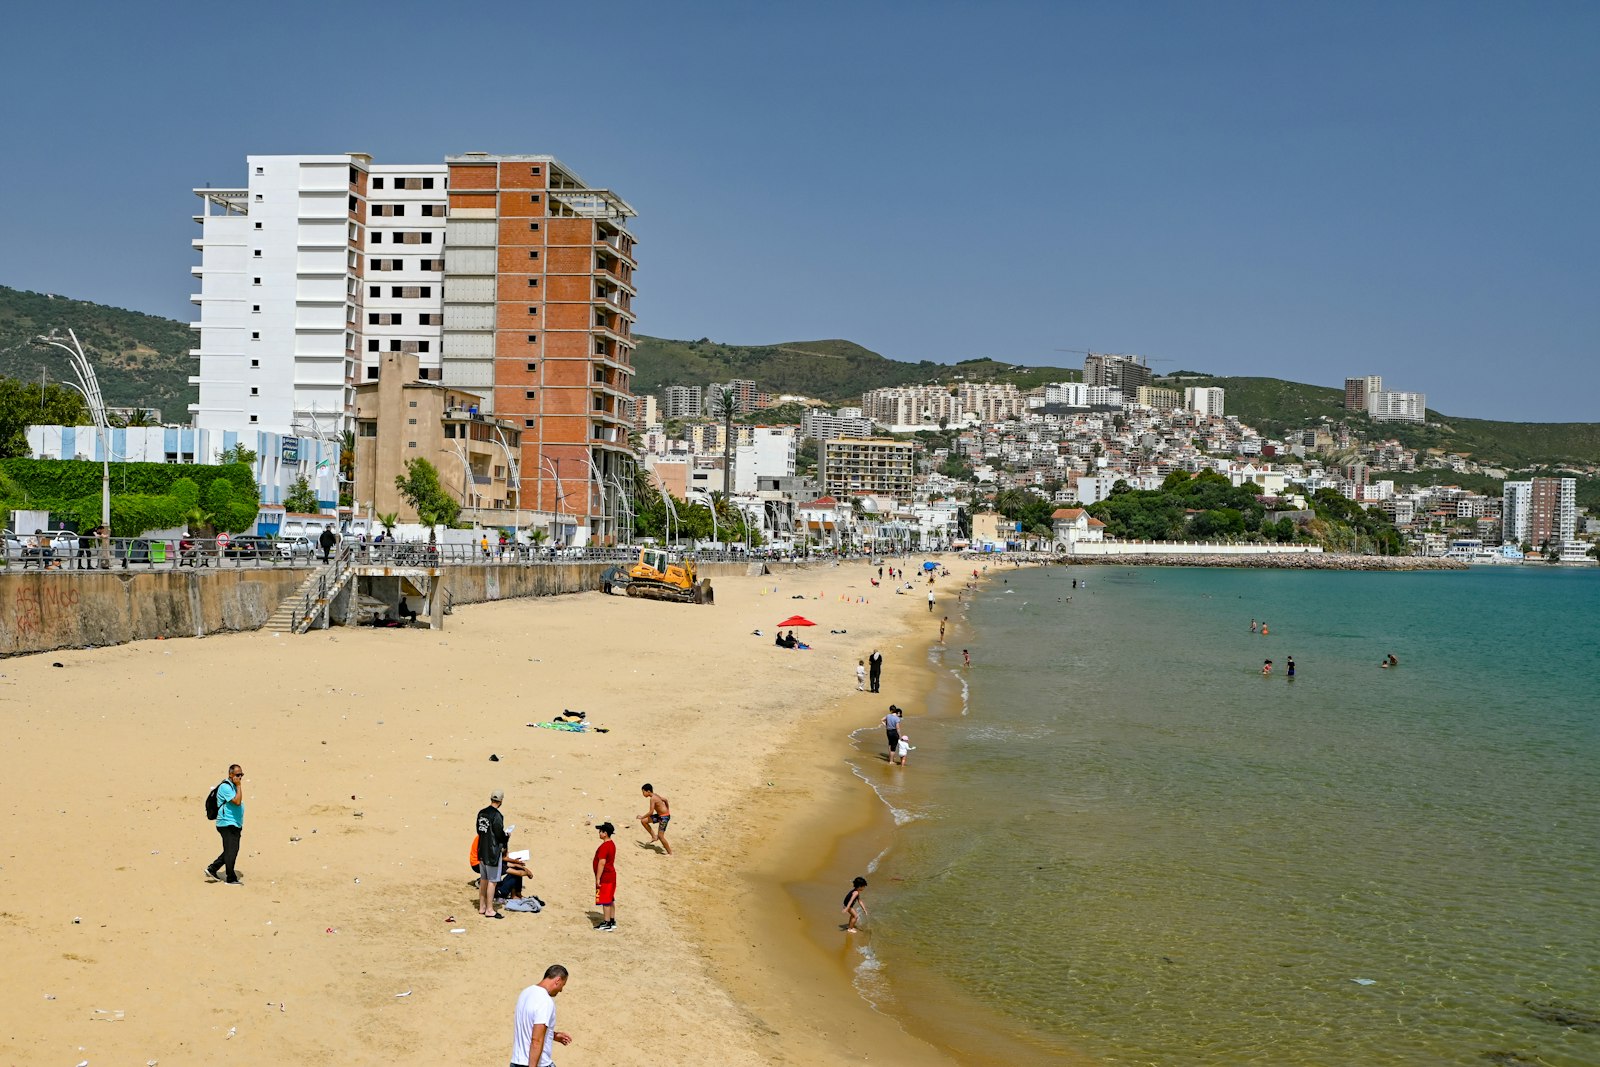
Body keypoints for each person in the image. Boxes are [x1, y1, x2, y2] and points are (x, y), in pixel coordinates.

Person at [509, 964, 572, 1067]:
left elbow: (529, 1027)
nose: (561, 990)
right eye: (562, 985)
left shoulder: (525, 993)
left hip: (516, 1062)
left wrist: (553, 1035)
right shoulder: (545, 1001)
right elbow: (536, 1040)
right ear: (557, 980)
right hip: (537, 1064)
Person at [205, 763, 245, 885]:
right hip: (226, 823)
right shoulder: (225, 787)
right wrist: (238, 786)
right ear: (230, 774)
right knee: (231, 850)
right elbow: (237, 802)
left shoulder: (233, 786)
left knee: (231, 849)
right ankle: (230, 877)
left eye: (241, 775)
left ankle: (212, 869)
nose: (240, 777)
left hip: (234, 823)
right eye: (238, 775)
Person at [477, 789, 510, 919]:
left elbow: (479, 830)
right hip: (492, 853)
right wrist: (506, 837)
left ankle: (482, 906)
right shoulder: (497, 815)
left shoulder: (482, 813)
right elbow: (499, 834)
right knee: (492, 881)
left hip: (482, 851)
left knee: (484, 879)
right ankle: (489, 909)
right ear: (501, 801)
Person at [592, 822, 617, 931]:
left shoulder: (604, 847)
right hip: (611, 875)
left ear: (605, 833)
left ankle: (606, 922)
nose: (599, 833)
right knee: (610, 899)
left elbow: (601, 863)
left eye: (600, 831)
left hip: (605, 877)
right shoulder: (612, 844)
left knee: (605, 900)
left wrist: (598, 878)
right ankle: (612, 920)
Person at [637, 784, 672, 855]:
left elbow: (651, 812)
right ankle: (654, 836)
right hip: (660, 816)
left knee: (661, 836)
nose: (643, 794)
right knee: (644, 821)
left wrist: (642, 816)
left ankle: (670, 853)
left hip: (664, 817)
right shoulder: (656, 795)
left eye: (643, 792)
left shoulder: (652, 798)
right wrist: (667, 809)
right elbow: (665, 800)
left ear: (648, 791)